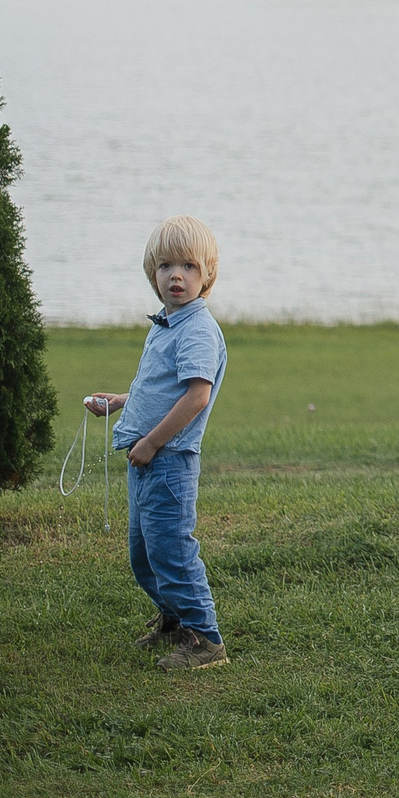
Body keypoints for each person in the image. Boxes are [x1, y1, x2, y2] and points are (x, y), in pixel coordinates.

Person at [89, 215, 230, 670]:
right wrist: (121, 402)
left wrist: (150, 443)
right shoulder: (168, 323)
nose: (176, 275)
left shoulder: (196, 328)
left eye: (189, 266)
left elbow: (196, 396)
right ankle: (173, 622)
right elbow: (162, 391)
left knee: (171, 549)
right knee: (145, 553)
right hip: (148, 459)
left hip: (168, 461)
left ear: (206, 274)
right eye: (166, 265)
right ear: (152, 272)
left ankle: (205, 639)